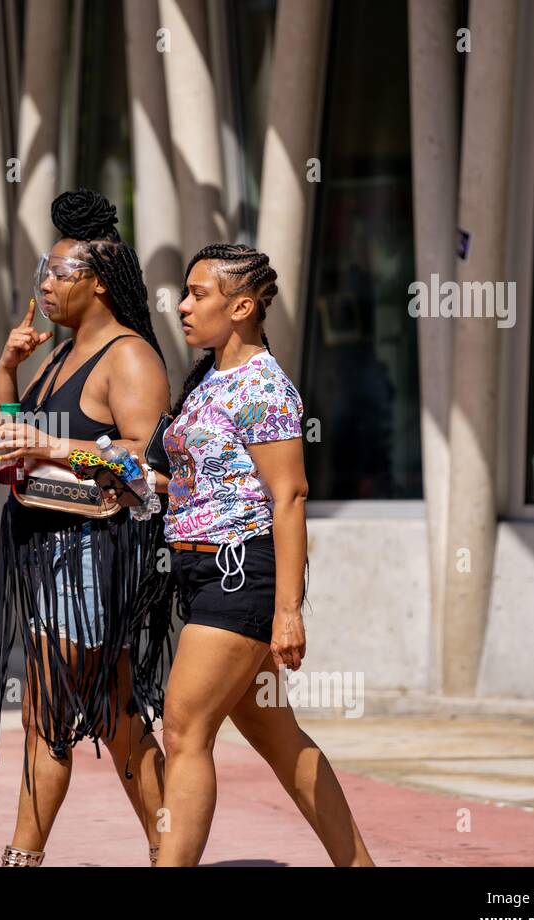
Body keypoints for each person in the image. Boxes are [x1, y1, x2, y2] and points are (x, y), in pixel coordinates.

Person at [110, 242, 374, 867]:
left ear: (243, 305)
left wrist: (289, 610)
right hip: (201, 572)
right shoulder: (207, 381)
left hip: (241, 574)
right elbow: (203, 484)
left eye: (199, 294)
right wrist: (140, 483)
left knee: (183, 729)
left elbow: (290, 495)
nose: (183, 305)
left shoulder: (263, 385)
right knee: (280, 739)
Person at [0, 188, 175, 866]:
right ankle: (171, 845)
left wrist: (53, 449)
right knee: (114, 712)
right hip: (46, 544)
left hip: (93, 549)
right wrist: (5, 370)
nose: (44, 285)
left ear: (98, 282)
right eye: (41, 272)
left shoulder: (129, 358)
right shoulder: (60, 354)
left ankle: (22, 855)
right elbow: (12, 444)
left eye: (58, 272)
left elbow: (145, 470)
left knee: (45, 711)